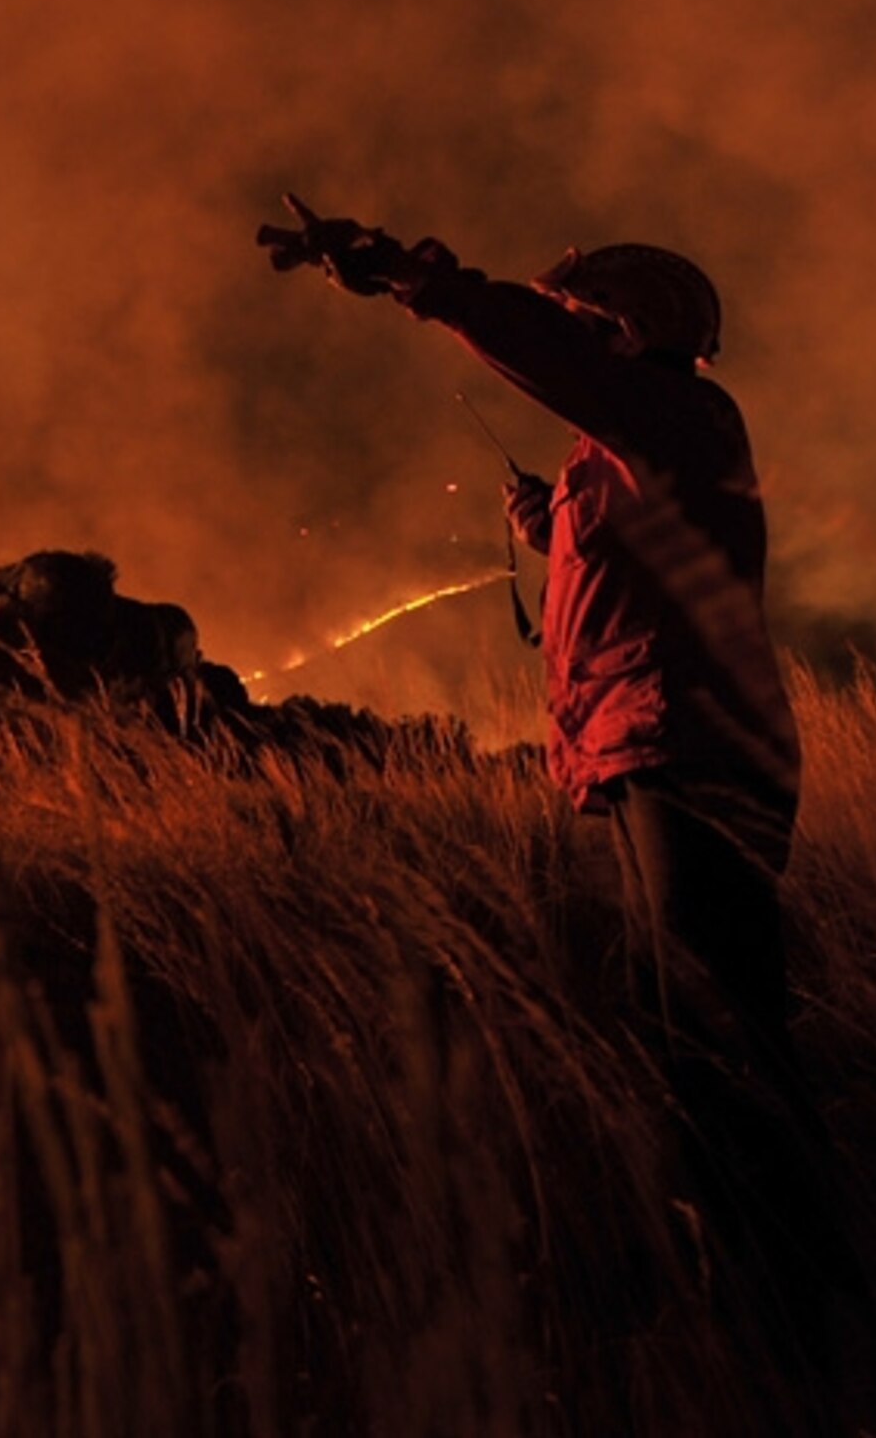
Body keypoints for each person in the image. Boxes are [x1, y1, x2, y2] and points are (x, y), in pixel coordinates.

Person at [262, 207, 802, 1057]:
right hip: (644, 745)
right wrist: (552, 532)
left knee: (715, 1026)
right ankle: (716, 1185)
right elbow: (638, 564)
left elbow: (542, 348)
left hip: (690, 747)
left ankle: (765, 1187)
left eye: (579, 317)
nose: (566, 332)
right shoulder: (631, 441)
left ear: (625, 327)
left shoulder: (679, 412)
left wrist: (413, 274)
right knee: (677, 1016)